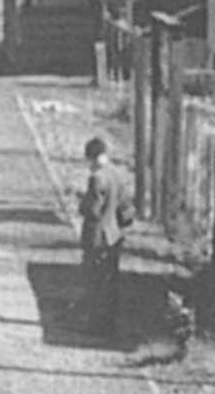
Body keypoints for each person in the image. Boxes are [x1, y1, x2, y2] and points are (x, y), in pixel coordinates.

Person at [78, 136, 133, 333]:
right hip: (114, 234)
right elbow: (126, 210)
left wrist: (82, 204)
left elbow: (92, 210)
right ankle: (110, 321)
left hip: (97, 235)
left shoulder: (97, 178)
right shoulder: (117, 174)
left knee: (94, 279)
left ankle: (95, 322)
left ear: (91, 158)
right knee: (110, 279)